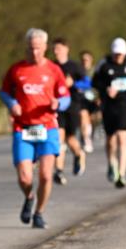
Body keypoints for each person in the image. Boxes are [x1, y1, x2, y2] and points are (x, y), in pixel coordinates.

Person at [0, 29, 70, 229]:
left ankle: (39, 212)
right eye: (31, 49)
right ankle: (29, 196)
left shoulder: (54, 70)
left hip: (47, 127)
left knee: (46, 175)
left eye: (38, 48)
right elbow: (4, 92)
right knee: (24, 176)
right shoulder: (16, 70)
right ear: (26, 48)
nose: (35, 53)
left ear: (45, 48)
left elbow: (65, 96)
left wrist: (59, 104)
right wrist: (12, 103)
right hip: (23, 128)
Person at [92, 38, 126, 188]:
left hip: (124, 105)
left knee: (123, 138)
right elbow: (94, 82)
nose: (118, 57)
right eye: (116, 54)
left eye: (121, 54)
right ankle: (112, 163)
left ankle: (122, 174)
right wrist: (105, 90)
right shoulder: (104, 65)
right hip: (109, 106)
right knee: (111, 140)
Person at [51, 38, 87, 182]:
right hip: (57, 106)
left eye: (58, 48)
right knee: (59, 137)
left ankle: (79, 154)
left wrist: (73, 83)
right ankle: (59, 171)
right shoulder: (51, 66)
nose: (56, 52)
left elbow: (87, 83)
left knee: (70, 138)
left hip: (72, 105)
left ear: (66, 49)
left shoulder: (75, 66)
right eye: (54, 49)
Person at [77, 50, 98, 153]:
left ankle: (87, 135)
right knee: (83, 116)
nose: (85, 62)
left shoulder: (95, 72)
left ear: (91, 60)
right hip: (82, 100)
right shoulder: (77, 72)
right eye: (83, 60)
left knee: (92, 120)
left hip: (94, 100)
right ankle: (86, 139)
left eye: (87, 60)